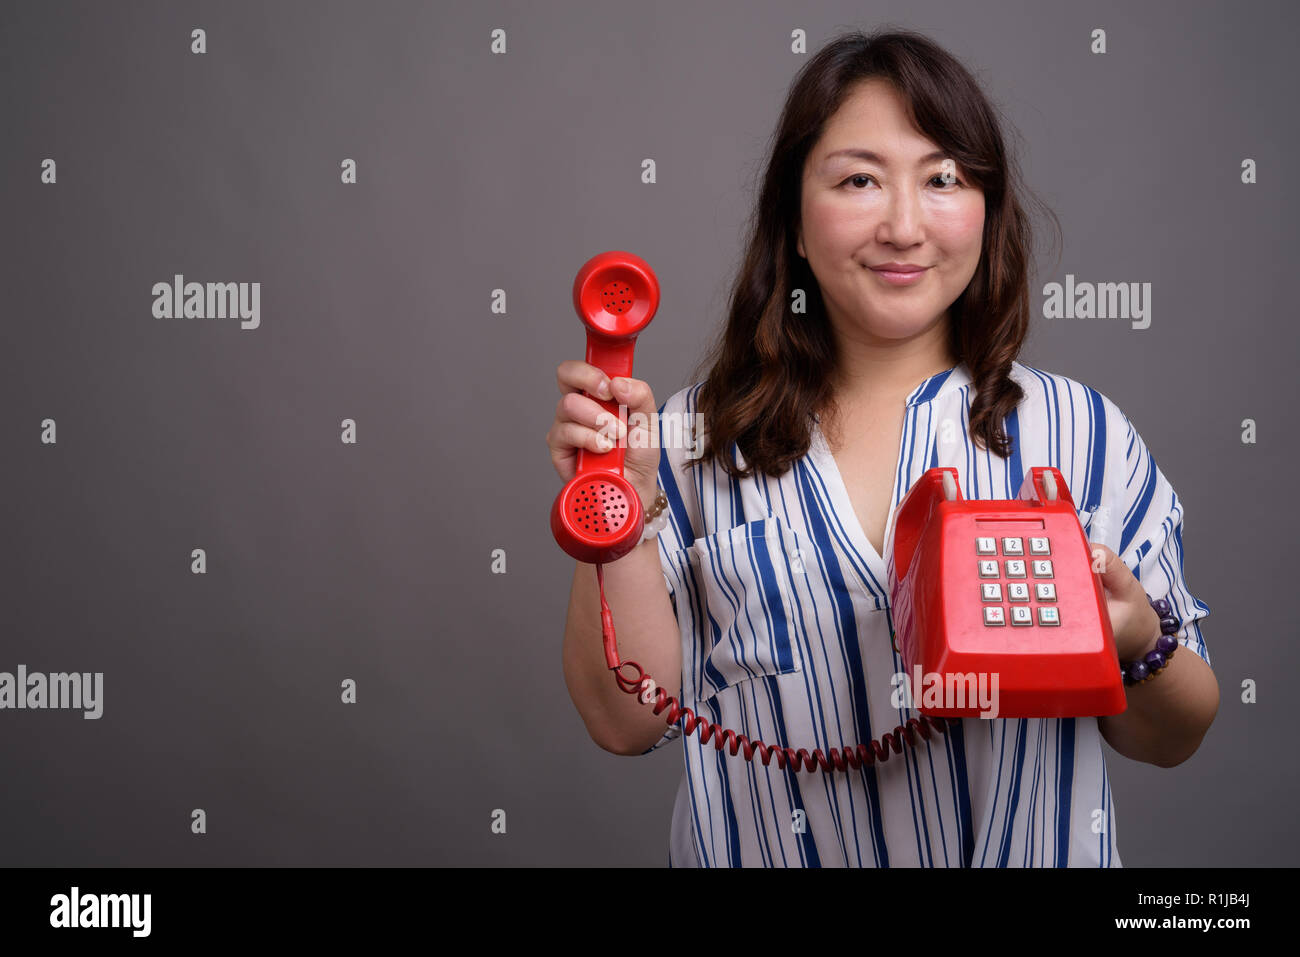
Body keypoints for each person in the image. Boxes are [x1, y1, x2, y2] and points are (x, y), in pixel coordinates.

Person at [547, 28, 1218, 867]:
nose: (904, 226)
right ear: (793, 220)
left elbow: (1172, 737)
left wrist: (1136, 639)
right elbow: (624, 720)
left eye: (943, 178)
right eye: (859, 179)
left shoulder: (1082, 435)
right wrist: (617, 503)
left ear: (986, 210)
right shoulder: (685, 444)